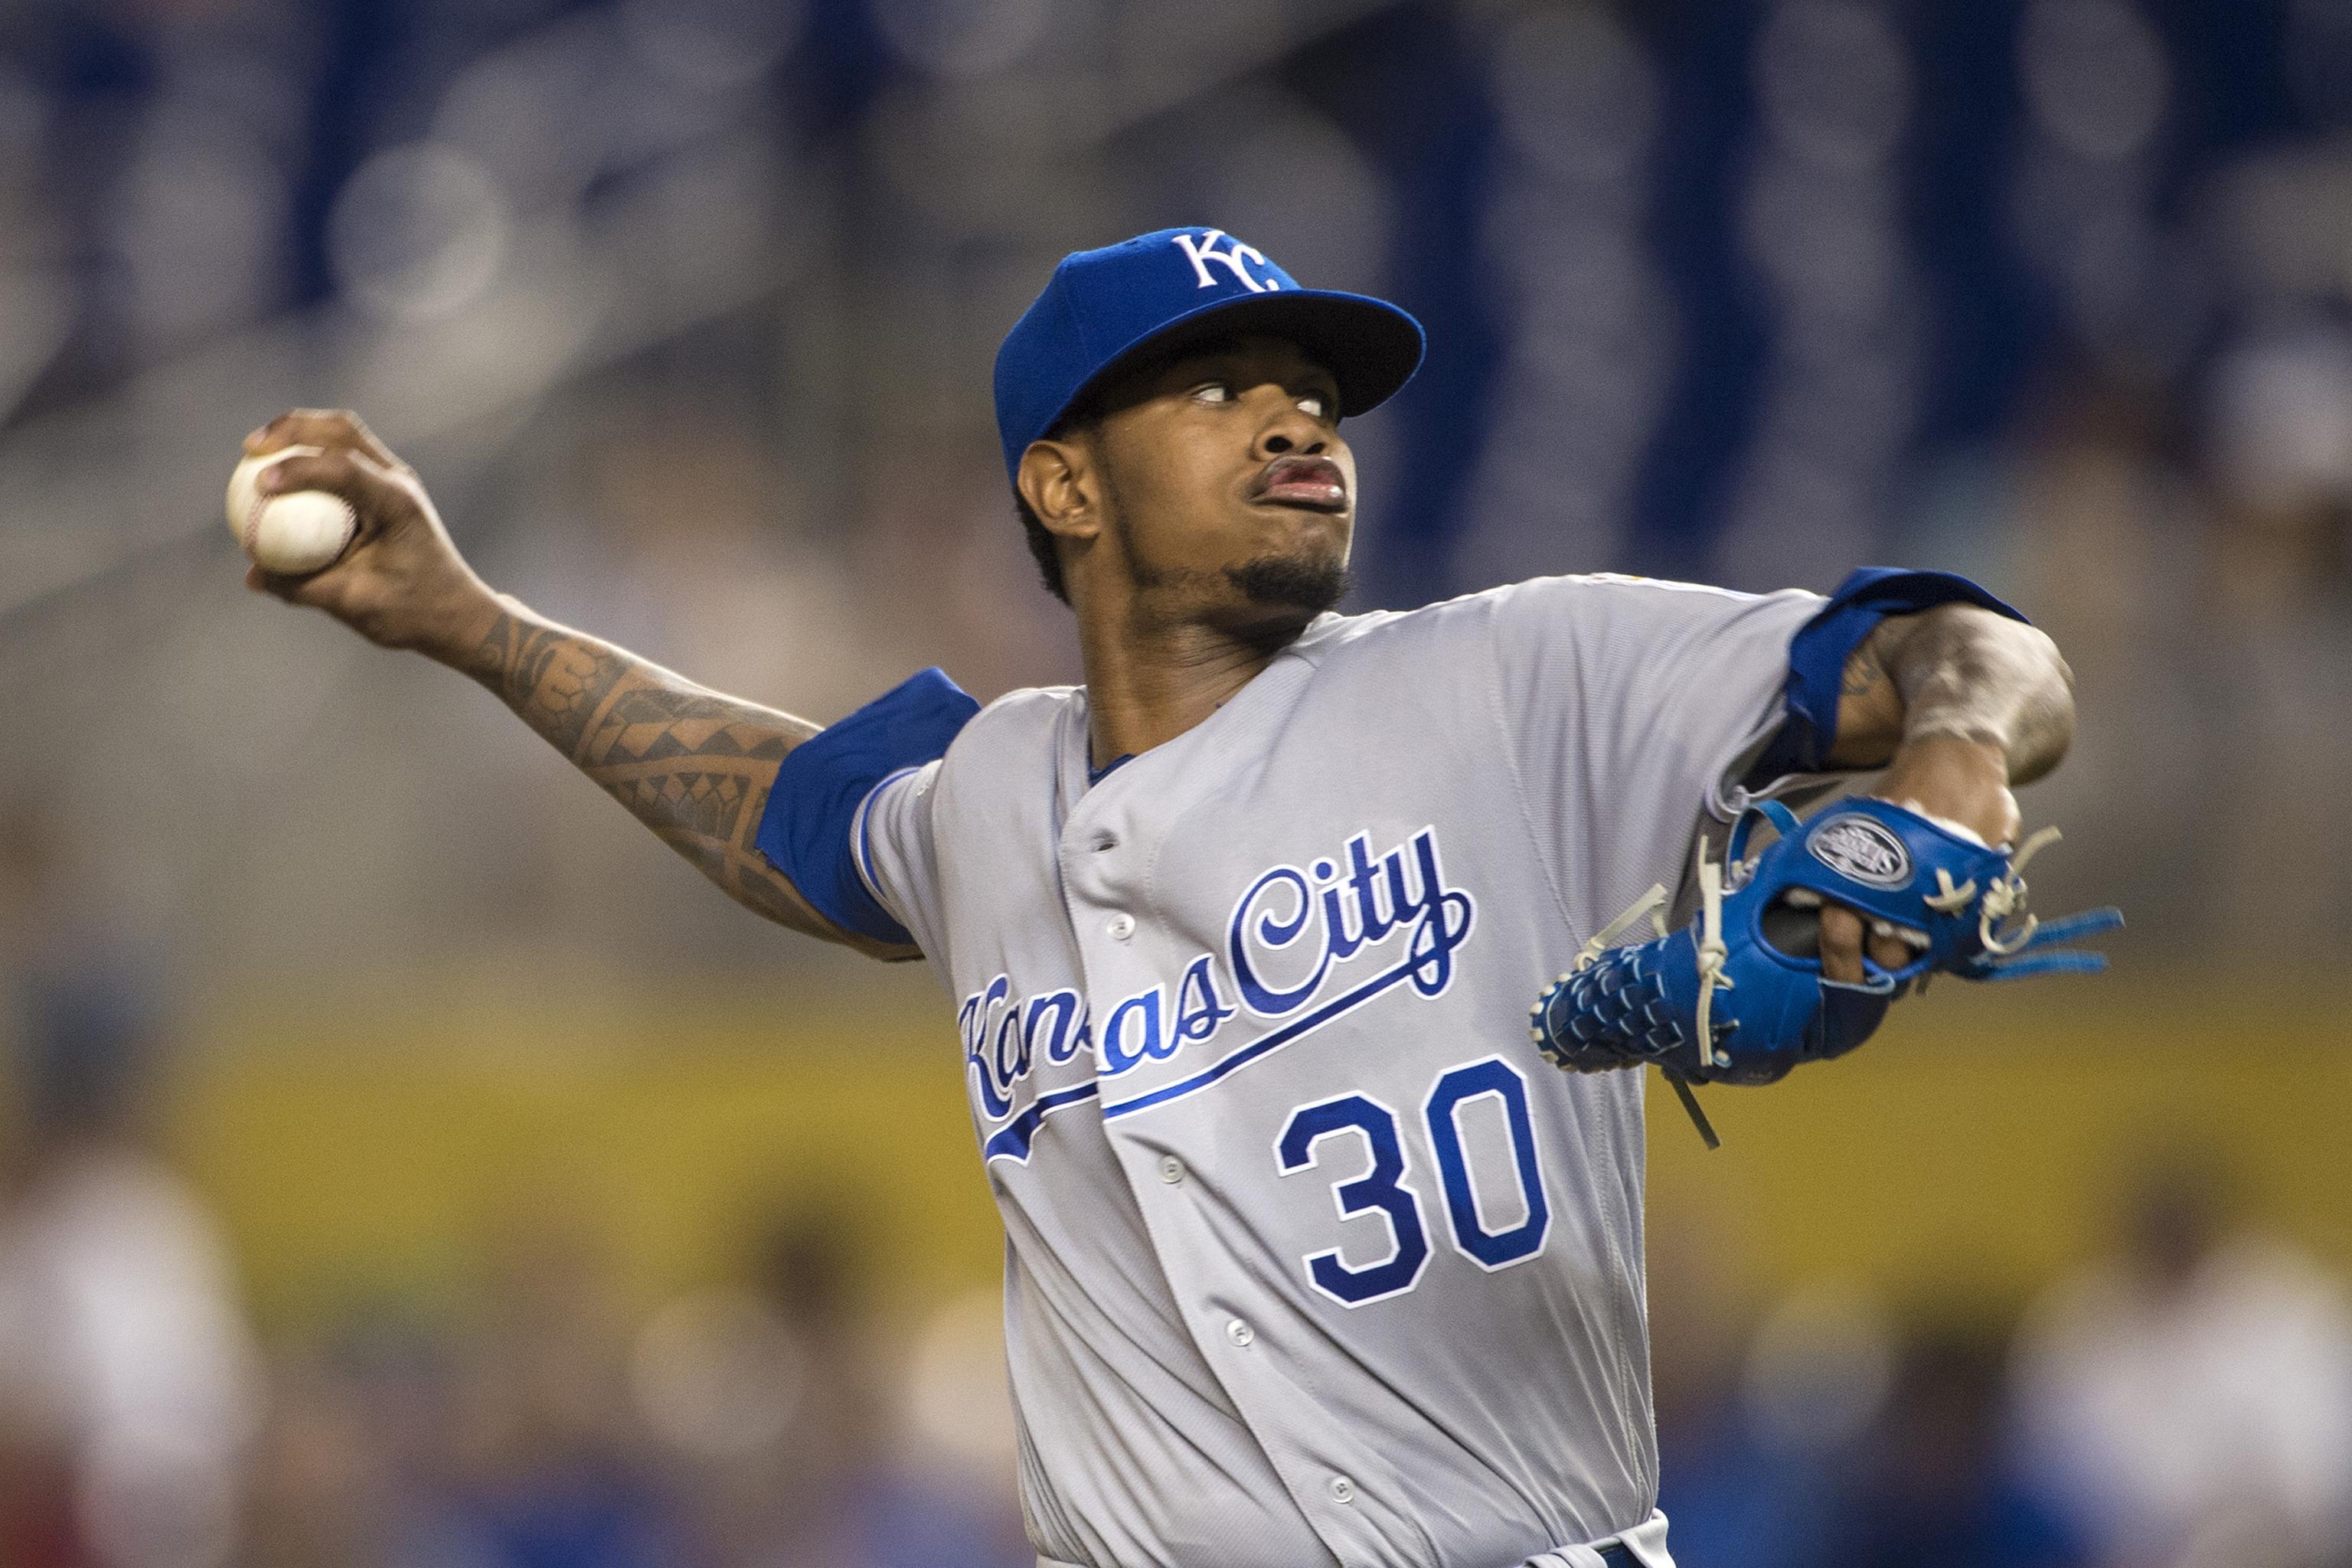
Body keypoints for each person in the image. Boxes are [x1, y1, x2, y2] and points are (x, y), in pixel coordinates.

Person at [241, 228, 2079, 1568]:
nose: (1297, 416)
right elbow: (767, 805)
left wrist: (1957, 759)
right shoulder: (978, 796)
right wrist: (469, 624)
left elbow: (1969, 647)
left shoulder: (1520, 676)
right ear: (1062, 481)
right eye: (1220, 385)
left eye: (1313, 389)